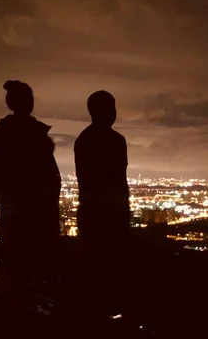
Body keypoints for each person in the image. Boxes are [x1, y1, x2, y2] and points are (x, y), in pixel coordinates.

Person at [0, 80, 61, 306]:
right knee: (27, 265)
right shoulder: (35, 135)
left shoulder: (4, 134)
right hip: (33, 212)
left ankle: (13, 308)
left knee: (13, 265)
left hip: (12, 211)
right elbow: (49, 177)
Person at [74, 90, 130, 314]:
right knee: (111, 268)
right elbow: (119, 179)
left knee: (95, 265)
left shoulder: (83, 140)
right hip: (110, 212)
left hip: (91, 211)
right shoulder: (116, 141)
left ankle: (94, 313)